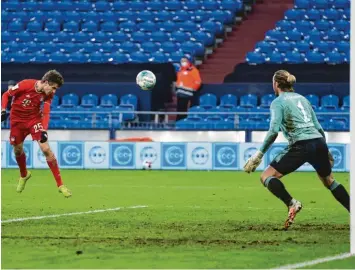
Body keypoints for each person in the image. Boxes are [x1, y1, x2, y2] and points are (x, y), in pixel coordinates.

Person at [243, 70, 349, 229]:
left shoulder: (278, 102)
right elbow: (318, 127)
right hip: (319, 142)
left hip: (301, 144)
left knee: (266, 176)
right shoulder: (303, 99)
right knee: (329, 180)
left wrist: (258, 155)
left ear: (276, 84)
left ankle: (292, 203)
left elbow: (273, 131)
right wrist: (325, 150)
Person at [1, 70, 72, 198]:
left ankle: (60, 185)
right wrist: (3, 110)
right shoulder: (25, 85)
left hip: (33, 120)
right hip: (17, 121)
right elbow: (6, 95)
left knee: (46, 149)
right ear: (45, 82)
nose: (54, 91)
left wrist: (44, 129)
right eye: (53, 88)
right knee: (17, 150)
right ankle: (24, 174)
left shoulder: (48, 94)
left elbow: (46, 112)